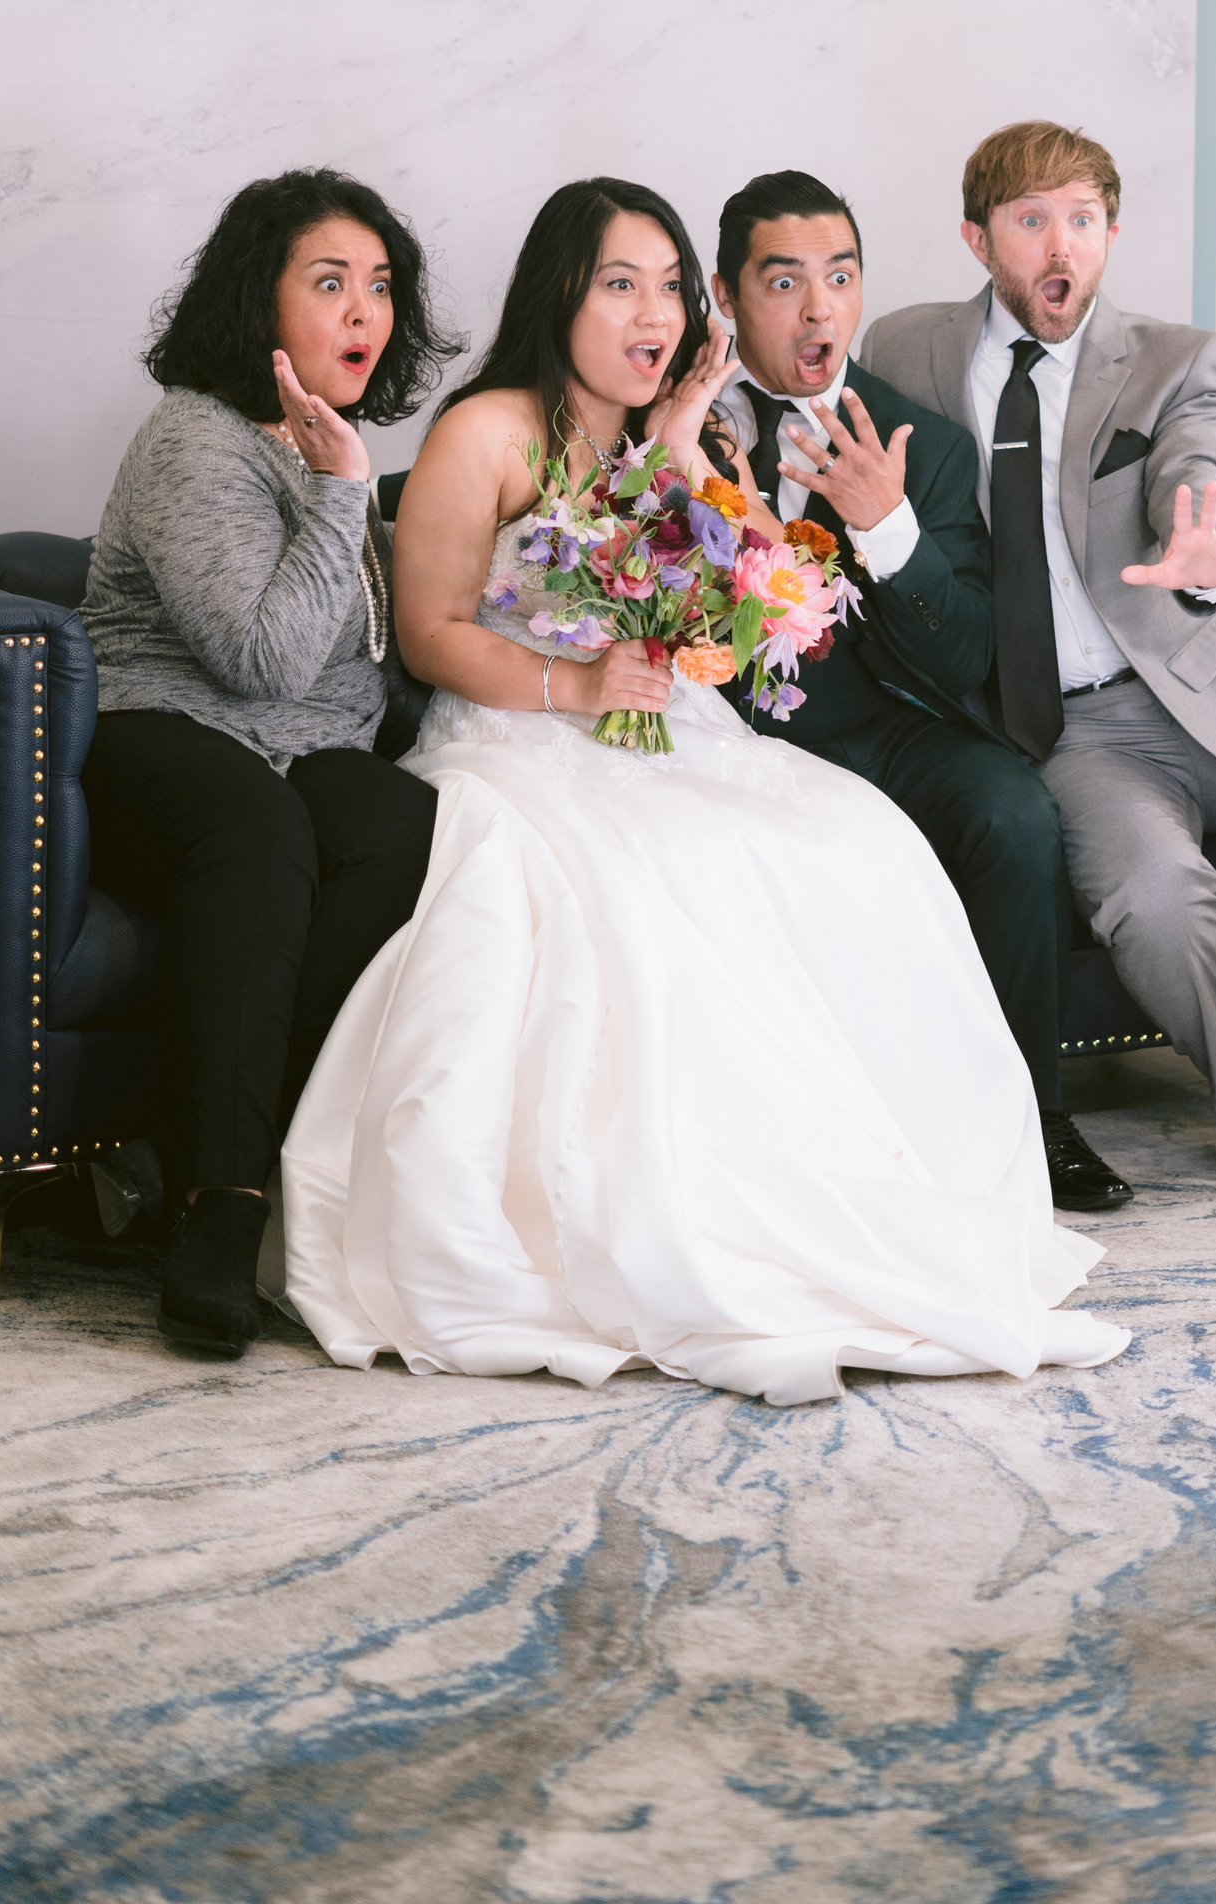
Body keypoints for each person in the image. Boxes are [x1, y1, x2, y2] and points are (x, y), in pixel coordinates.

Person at [277, 177, 1128, 1404]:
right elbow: (429, 632)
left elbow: (751, 601)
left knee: (857, 841)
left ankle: (890, 1182)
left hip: (669, 729)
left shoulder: (677, 432)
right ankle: (698, 1210)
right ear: (560, 296)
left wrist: (682, 451)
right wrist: (574, 687)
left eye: (670, 288)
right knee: (665, 878)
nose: (654, 314)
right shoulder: (487, 431)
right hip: (521, 733)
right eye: (621, 286)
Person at [864, 119, 1216, 1196]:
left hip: (1210, 674)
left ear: (1111, 233)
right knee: (1157, 897)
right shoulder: (904, 351)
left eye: (1083, 219)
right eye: (1031, 221)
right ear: (978, 239)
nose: (1061, 244)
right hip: (1072, 730)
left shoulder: (1181, 359)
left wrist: (1198, 547)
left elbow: (1197, 462)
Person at [81, 168, 459, 1355]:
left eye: (380, 287)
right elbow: (262, 658)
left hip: (303, 753)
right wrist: (348, 495)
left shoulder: (327, 445)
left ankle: (202, 1149)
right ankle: (220, 1209)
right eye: (330, 282)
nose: (363, 312)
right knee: (257, 831)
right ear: (260, 301)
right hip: (160, 733)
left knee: (404, 825)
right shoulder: (195, 440)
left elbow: (373, 663)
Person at [706, 169, 1130, 1215]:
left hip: (884, 729)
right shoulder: (675, 428)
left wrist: (887, 527)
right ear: (724, 296)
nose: (820, 311)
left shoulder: (921, 443)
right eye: (785, 283)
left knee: (1012, 812)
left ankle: (1035, 1115)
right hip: (723, 735)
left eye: (841, 278)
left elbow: (970, 654)